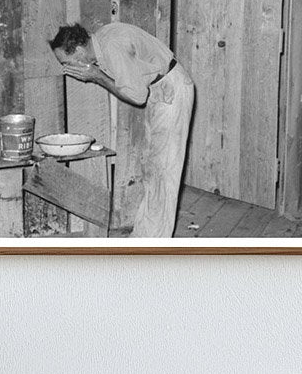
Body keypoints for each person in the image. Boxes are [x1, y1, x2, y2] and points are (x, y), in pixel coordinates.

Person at [49, 22, 194, 238]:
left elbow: (137, 96)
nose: (67, 67)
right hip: (160, 89)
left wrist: (96, 76)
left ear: (79, 51)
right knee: (153, 167)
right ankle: (145, 236)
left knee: (164, 172)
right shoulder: (102, 39)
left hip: (171, 90)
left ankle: (153, 245)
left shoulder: (112, 47)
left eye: (66, 62)